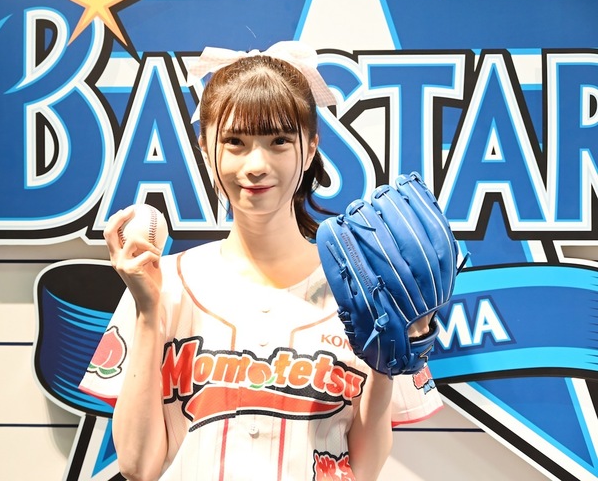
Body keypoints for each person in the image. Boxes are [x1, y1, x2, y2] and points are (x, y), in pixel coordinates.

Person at [79, 41, 441, 481]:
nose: (256, 165)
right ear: (205, 147)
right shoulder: (162, 282)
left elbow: (364, 470)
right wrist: (148, 311)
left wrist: (389, 363)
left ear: (310, 148)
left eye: (278, 142)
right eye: (235, 142)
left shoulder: (366, 289)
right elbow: (138, 466)